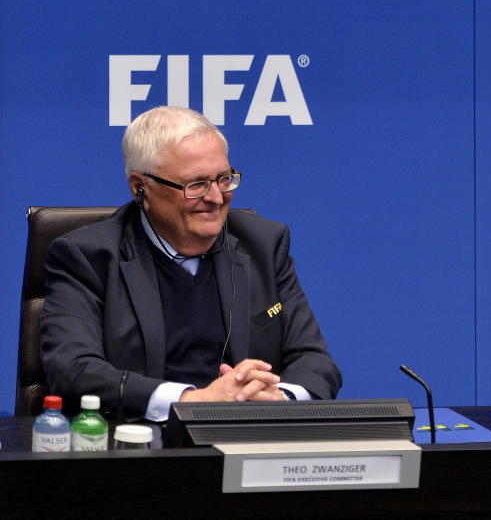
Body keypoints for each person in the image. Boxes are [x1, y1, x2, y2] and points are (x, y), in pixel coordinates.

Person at [41, 106, 341, 420]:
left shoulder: (263, 243)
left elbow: (315, 361)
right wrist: (193, 400)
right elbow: (73, 370)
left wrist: (277, 398)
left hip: (247, 441)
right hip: (143, 450)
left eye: (224, 179)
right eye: (196, 185)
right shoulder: (88, 256)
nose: (215, 197)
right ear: (140, 186)